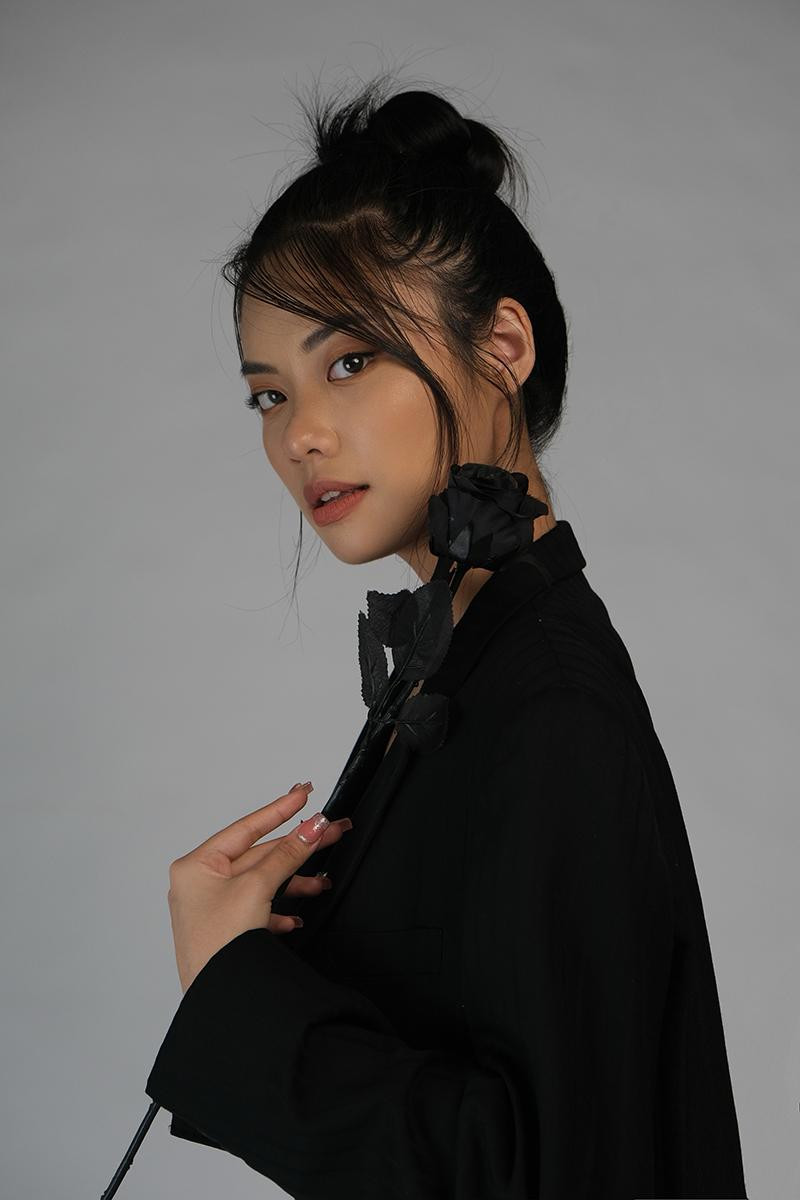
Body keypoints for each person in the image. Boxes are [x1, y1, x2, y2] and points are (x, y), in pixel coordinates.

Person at [144, 74, 748, 1198]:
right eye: (269, 395)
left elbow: (542, 1173)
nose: (300, 434)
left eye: (349, 361)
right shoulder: (466, 668)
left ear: (503, 344)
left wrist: (232, 984)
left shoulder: (548, 706)